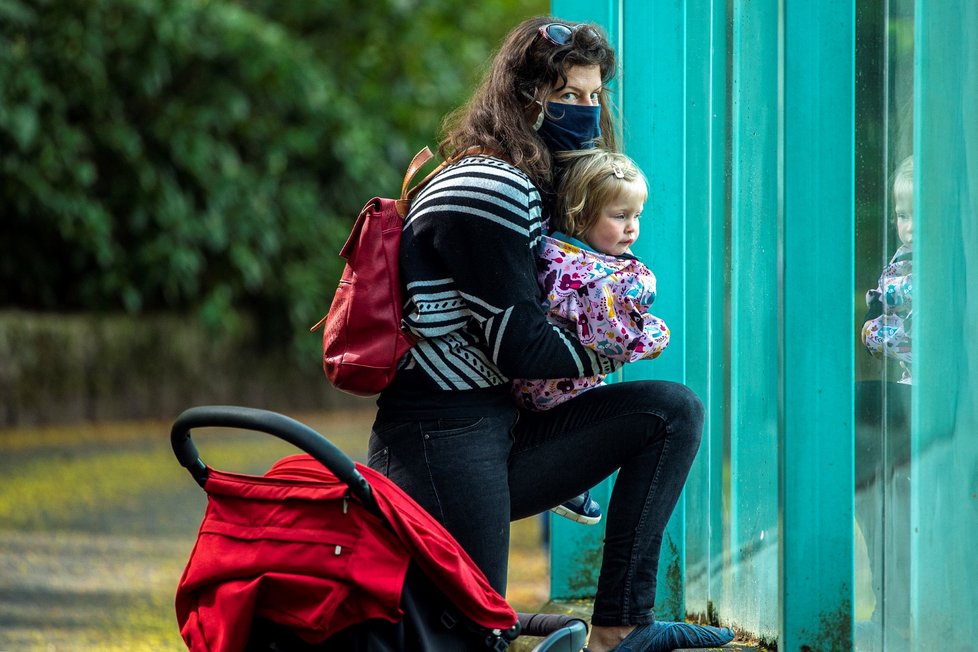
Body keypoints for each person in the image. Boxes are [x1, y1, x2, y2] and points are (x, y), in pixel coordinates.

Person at [367, 17, 734, 652]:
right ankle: (548, 629)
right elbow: (522, 349)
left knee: (671, 412)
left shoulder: (524, 182)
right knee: (473, 631)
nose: (587, 112)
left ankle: (621, 626)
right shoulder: (488, 188)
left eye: (595, 97)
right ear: (523, 96)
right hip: (440, 435)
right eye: (567, 97)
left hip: (496, 426)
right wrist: (624, 339)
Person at [514, 149, 670, 528]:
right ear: (582, 216)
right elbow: (619, 338)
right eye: (619, 217)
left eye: (636, 216)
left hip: (526, 383)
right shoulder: (598, 280)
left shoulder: (556, 251)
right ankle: (564, 482)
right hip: (557, 389)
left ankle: (566, 485)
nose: (631, 228)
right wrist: (658, 334)